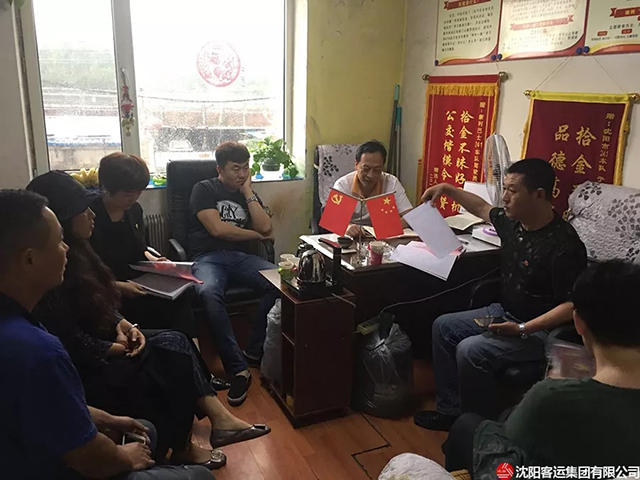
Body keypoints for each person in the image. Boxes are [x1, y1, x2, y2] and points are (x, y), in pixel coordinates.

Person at [27, 171, 270, 469]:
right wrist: (114, 344)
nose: (91, 214)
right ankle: (184, 444)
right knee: (174, 351)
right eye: (82, 210)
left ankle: (216, 419)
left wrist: (122, 324)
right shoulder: (51, 269)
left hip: (112, 322)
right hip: (94, 354)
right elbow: (69, 337)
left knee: (177, 332)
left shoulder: (76, 251)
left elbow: (94, 299)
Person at [0, 189, 211, 480]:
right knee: (200, 476)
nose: (66, 248)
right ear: (30, 260)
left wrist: (107, 419)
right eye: (59, 241)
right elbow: (88, 458)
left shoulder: (20, 320)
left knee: (145, 428)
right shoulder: (37, 351)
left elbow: (51, 405)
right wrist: (125, 457)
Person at [414, 158, 587, 431]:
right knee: (443, 326)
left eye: (512, 191)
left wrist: (522, 329)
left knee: (470, 349)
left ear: (538, 194)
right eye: (504, 188)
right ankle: (450, 411)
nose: (504, 197)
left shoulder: (564, 244)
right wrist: (447, 188)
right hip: (504, 313)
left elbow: (571, 305)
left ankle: (480, 428)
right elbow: (482, 208)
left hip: (539, 331)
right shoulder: (513, 223)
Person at [444, 260, 640, 471]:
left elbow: (510, 445)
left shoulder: (552, 396)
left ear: (578, 323)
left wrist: (556, 387)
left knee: (467, 426)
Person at [189, 141, 279, 406]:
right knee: (208, 293)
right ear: (220, 169)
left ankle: (252, 351)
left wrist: (248, 191)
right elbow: (218, 230)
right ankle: (238, 368)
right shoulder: (203, 189)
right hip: (207, 257)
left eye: (246, 168)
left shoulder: (246, 191)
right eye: (235, 169)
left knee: (280, 282)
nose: (241, 174)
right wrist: (256, 236)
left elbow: (266, 226)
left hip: (240, 258)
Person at [90, 152, 198, 341]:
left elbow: (141, 249)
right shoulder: (89, 215)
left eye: (138, 192)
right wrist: (119, 286)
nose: (134, 198)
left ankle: (188, 347)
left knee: (183, 295)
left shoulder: (134, 210)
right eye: (128, 193)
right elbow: (82, 270)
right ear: (108, 187)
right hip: (104, 284)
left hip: (137, 277)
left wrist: (156, 261)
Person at [332, 140, 412, 237]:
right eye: (366, 169)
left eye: (377, 170)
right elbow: (333, 221)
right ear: (356, 165)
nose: (370, 175)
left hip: (383, 237)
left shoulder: (391, 183)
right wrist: (348, 228)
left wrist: (391, 227)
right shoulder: (342, 185)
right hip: (351, 238)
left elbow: (410, 216)